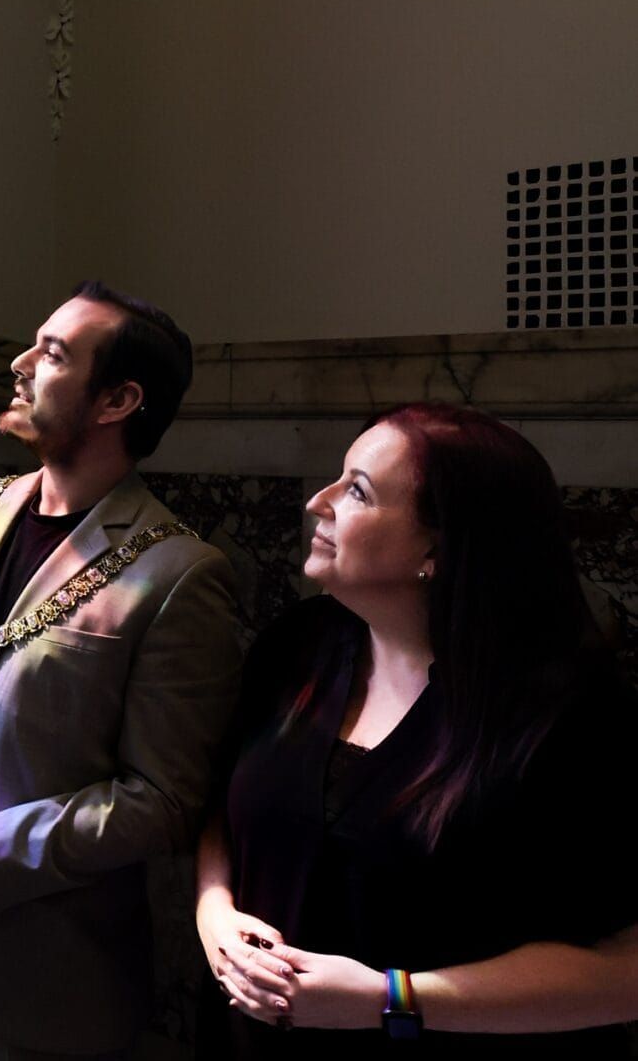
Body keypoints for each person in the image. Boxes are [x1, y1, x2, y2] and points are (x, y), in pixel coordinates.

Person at [0, 281, 243, 1059]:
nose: (20, 362)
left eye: (53, 352)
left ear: (117, 398)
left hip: (39, 977)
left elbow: (161, 800)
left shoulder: (180, 572)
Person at [196, 403, 638, 1053]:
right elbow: (223, 812)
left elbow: (626, 967)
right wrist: (215, 917)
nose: (319, 501)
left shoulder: (567, 717)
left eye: (355, 489)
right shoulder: (299, 644)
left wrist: (392, 998)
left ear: (435, 546)